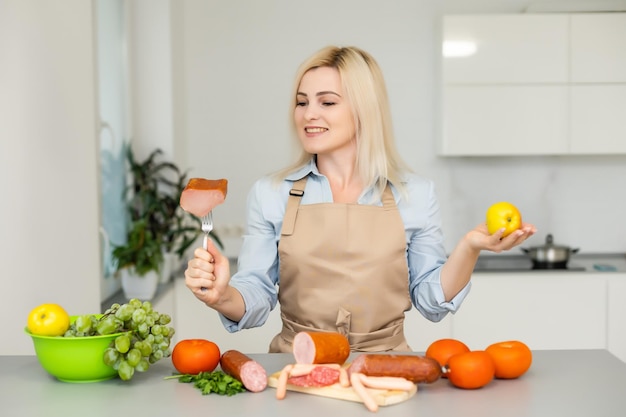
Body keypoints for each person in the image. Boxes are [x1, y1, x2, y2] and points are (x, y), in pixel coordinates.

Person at [184, 45, 536, 353]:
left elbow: (432, 302)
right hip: (297, 366)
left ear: (364, 110)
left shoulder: (414, 194)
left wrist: (469, 247)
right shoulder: (270, 193)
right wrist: (222, 295)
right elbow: (256, 295)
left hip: (387, 366)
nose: (309, 114)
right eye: (301, 102)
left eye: (328, 102)